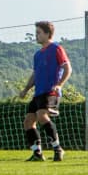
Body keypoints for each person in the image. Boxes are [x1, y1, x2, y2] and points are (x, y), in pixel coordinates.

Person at [21, 21, 69, 162]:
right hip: (38, 93)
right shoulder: (37, 55)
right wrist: (25, 89)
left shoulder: (56, 48)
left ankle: (57, 148)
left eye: (39, 33)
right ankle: (37, 153)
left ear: (48, 34)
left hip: (50, 91)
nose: (36, 36)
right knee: (28, 122)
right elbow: (35, 74)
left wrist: (59, 85)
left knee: (42, 115)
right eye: (36, 33)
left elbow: (67, 68)